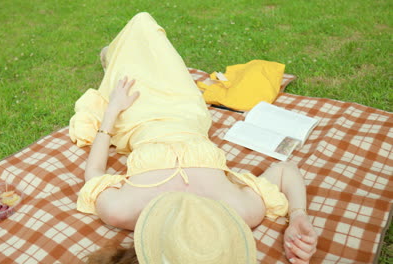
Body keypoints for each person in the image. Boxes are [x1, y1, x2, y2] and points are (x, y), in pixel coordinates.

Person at [69, 12, 318, 264]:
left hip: (139, 117)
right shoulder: (240, 210)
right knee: (150, 40)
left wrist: (112, 110)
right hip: (188, 112)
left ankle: (111, 59)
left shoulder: (122, 211)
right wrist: (298, 215)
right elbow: (286, 171)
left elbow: (95, 171)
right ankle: (115, 57)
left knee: (141, 25)